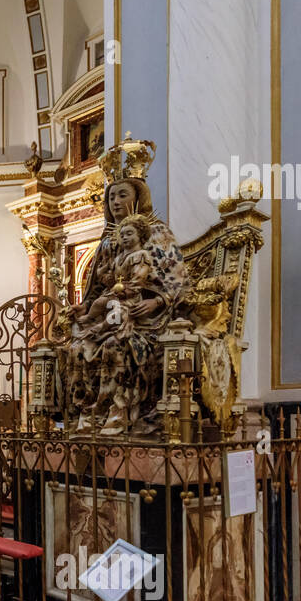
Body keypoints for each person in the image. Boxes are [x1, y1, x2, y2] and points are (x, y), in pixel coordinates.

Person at [60, 177, 189, 435]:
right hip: (112, 312)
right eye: (111, 198)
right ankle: (87, 412)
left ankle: (120, 411)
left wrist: (157, 301)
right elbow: (97, 288)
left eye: (122, 195)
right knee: (76, 347)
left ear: (138, 198)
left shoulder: (158, 233)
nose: (115, 202)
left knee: (115, 344)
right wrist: (84, 308)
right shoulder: (107, 242)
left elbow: (180, 280)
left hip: (150, 318)